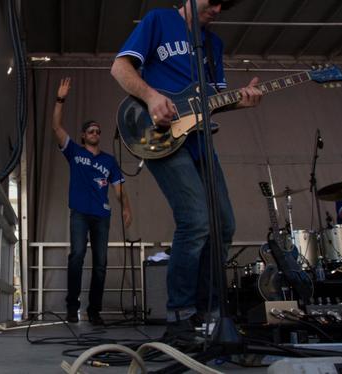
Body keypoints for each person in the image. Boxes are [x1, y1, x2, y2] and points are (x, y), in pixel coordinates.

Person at [111, 0, 262, 342]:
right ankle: (180, 315)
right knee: (195, 220)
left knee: (223, 224)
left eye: (227, 4)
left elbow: (215, 100)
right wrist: (151, 98)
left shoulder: (213, 44)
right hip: (158, 136)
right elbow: (120, 68)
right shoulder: (159, 20)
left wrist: (246, 97)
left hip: (199, 140)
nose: (219, 8)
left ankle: (208, 312)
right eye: (215, 0)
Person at [52, 77, 133, 325]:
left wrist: (126, 208)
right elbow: (56, 126)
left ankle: (94, 311)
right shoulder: (74, 151)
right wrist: (60, 99)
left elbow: (119, 188)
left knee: (101, 264)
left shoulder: (109, 161)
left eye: (98, 131)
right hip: (79, 212)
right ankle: (71, 307)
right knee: (76, 255)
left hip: (102, 216)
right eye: (91, 131)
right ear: (83, 135)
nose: (95, 133)